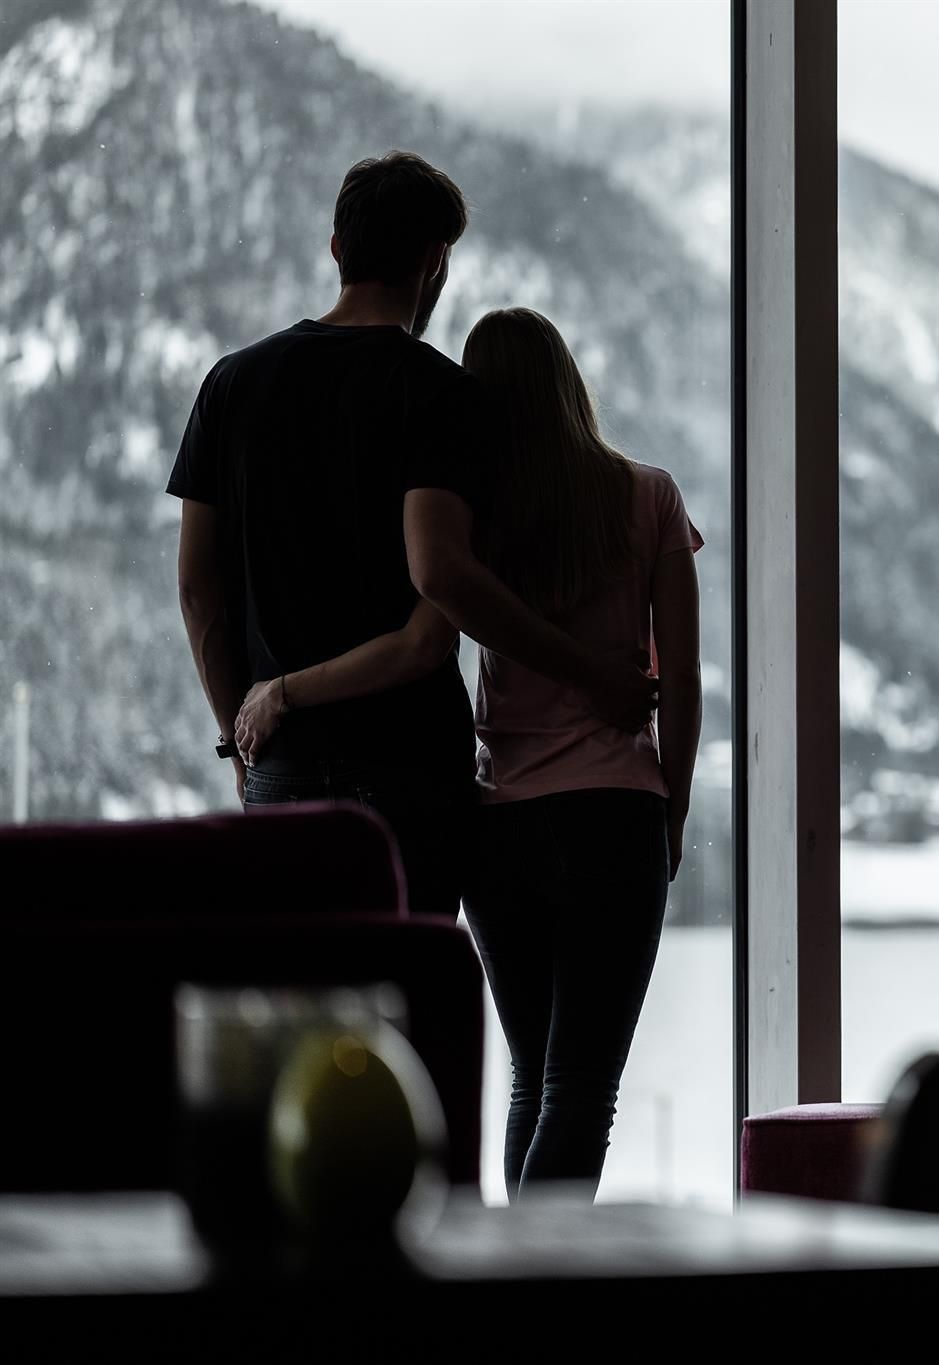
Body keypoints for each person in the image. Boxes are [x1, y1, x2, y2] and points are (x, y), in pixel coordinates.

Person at [237, 307, 704, 1201]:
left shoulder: (478, 523)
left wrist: (286, 688)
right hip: (614, 813)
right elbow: (678, 677)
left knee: (535, 1078)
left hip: (499, 825)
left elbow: (423, 637)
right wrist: (669, 810)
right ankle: (537, 1288)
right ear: (571, 383)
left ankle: (515, 1280)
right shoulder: (650, 495)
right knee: (581, 1086)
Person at [170, 151, 654, 915]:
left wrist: (245, 735)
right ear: (436, 261)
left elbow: (198, 589)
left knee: (305, 1011)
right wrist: (595, 675)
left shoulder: (230, 383)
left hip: (282, 764)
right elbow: (438, 610)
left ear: (337, 249)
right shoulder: (444, 397)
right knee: (407, 1016)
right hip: (410, 775)